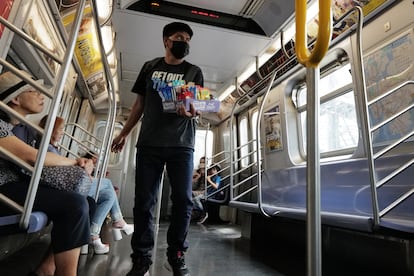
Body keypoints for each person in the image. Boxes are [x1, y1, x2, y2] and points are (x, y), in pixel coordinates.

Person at [111, 22, 203, 276]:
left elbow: (196, 104)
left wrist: (192, 111)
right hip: (150, 142)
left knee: (184, 201)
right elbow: (139, 105)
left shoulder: (193, 70)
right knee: (144, 201)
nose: (184, 41)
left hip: (181, 144)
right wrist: (124, 133)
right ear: (166, 40)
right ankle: (141, 257)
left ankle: (176, 253)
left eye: (187, 39)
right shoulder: (150, 67)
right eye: (179, 37)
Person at [0, 70, 92, 276]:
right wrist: (75, 162)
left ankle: (46, 268)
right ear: (15, 98)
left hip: (13, 187)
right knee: (74, 205)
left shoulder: (22, 128)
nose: (42, 95)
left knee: (87, 201)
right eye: (35, 90)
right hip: (3, 189)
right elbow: (30, 157)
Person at [37, 115, 134, 254]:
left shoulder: (53, 148)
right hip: (61, 187)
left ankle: (95, 235)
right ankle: (116, 223)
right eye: (61, 129)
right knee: (107, 184)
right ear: (51, 130)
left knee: (108, 195)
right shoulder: (46, 148)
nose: (63, 132)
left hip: (64, 183)